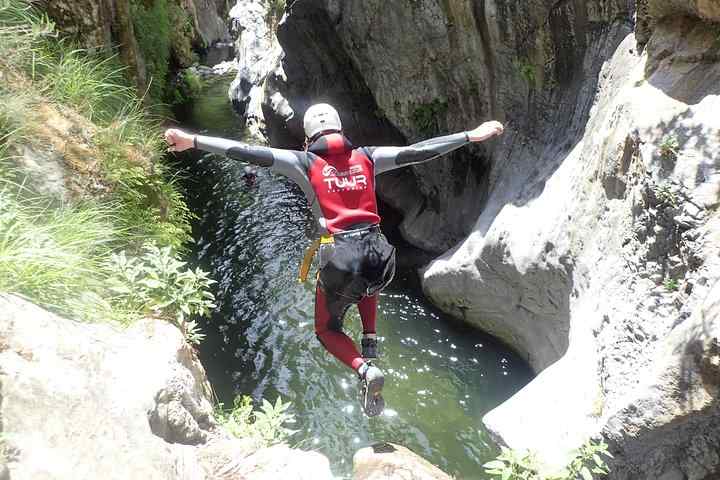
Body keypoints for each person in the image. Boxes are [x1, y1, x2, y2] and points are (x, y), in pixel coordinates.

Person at [165, 104, 504, 417]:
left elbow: (246, 152)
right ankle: (370, 337)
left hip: (341, 258)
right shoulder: (368, 157)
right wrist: (469, 135)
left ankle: (364, 368)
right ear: (340, 130)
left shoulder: (303, 162)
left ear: (309, 138)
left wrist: (191, 140)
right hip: (381, 253)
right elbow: (418, 152)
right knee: (371, 274)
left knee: (327, 330)